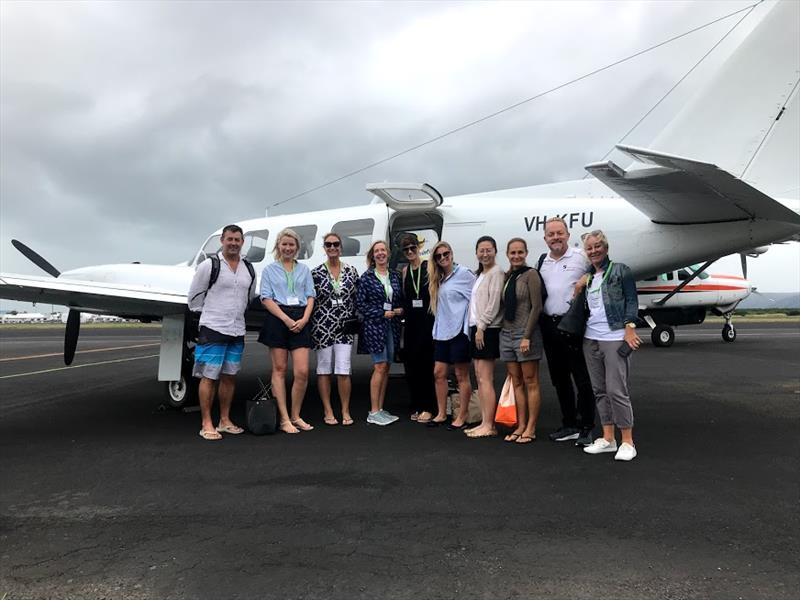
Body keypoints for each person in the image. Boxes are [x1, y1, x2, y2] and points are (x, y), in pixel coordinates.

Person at [578, 230, 642, 462]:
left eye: (597, 246)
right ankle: (608, 438)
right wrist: (578, 288)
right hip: (591, 337)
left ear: (606, 247)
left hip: (614, 336)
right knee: (600, 390)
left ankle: (627, 441)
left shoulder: (620, 270)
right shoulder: (587, 276)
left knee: (617, 390)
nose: (593, 251)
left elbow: (632, 299)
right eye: (589, 248)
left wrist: (629, 326)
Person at [187, 224, 256, 441]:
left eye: (237, 239)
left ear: (242, 242)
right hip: (214, 328)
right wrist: (212, 315)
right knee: (209, 376)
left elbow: (250, 296)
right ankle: (207, 422)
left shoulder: (248, 268)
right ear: (222, 241)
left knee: (229, 376)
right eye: (230, 239)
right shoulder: (209, 265)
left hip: (237, 329)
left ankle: (225, 420)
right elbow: (194, 298)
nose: (234, 243)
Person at [538, 217, 597, 446]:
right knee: (559, 378)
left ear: (567, 235)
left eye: (559, 233)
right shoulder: (542, 261)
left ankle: (586, 426)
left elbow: (599, 272)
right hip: (549, 326)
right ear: (545, 238)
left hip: (572, 325)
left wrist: (586, 278)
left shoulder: (580, 257)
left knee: (582, 378)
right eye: (551, 234)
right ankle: (569, 424)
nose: (556, 237)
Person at [258, 228, 316, 434]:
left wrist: (304, 319)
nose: (288, 248)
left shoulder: (304, 270)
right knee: (280, 370)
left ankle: (295, 415)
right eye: (284, 244)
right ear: (278, 246)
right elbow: (265, 298)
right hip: (278, 317)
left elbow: (310, 296)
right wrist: (285, 318)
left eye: (292, 244)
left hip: (301, 317)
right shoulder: (269, 270)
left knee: (302, 371)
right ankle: (284, 418)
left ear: (297, 247)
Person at [311, 232, 359, 426]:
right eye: (328, 245)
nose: (332, 248)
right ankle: (328, 409)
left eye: (336, 244)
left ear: (341, 247)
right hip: (322, 325)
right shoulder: (315, 273)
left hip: (344, 326)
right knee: (323, 369)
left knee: (343, 369)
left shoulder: (351, 271)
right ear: (324, 248)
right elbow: (311, 300)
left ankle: (345, 410)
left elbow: (357, 298)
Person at [428, 241, 476, 429]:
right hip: (442, 332)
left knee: (461, 374)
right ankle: (441, 413)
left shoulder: (464, 274)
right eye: (438, 256)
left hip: (459, 331)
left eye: (445, 254)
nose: (443, 258)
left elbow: (476, 298)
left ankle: (462, 415)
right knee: (439, 373)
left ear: (452, 253)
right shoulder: (438, 278)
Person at [500, 238, 543, 444]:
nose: (516, 256)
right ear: (507, 254)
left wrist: (526, 336)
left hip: (525, 335)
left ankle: (531, 427)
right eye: (512, 253)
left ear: (526, 253)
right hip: (506, 334)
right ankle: (521, 424)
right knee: (516, 382)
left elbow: (536, 307)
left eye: (520, 252)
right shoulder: (508, 276)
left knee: (530, 381)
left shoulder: (531, 274)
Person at [356, 240, 403, 426]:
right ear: (372, 255)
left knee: (387, 367)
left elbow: (399, 298)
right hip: (375, 326)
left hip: (392, 326)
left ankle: (381, 409)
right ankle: (373, 411)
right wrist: (381, 312)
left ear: (388, 253)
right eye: (377, 251)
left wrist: (400, 310)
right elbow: (360, 305)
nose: (380, 253)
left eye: (383, 250)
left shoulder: (394, 276)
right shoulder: (367, 277)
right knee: (379, 366)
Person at [465, 236, 504, 438]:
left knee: (486, 378)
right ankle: (484, 421)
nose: (485, 253)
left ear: (495, 251)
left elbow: (494, 304)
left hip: (487, 329)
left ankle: (489, 425)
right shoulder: (481, 273)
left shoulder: (496, 273)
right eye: (481, 250)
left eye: (489, 250)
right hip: (477, 328)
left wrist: (481, 327)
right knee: (479, 377)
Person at [398, 233, 437, 423]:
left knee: (427, 364)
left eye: (413, 248)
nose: (410, 252)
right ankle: (417, 404)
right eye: (406, 250)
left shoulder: (428, 266)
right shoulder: (405, 271)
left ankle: (430, 407)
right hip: (411, 323)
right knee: (412, 365)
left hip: (428, 321)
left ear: (419, 247)